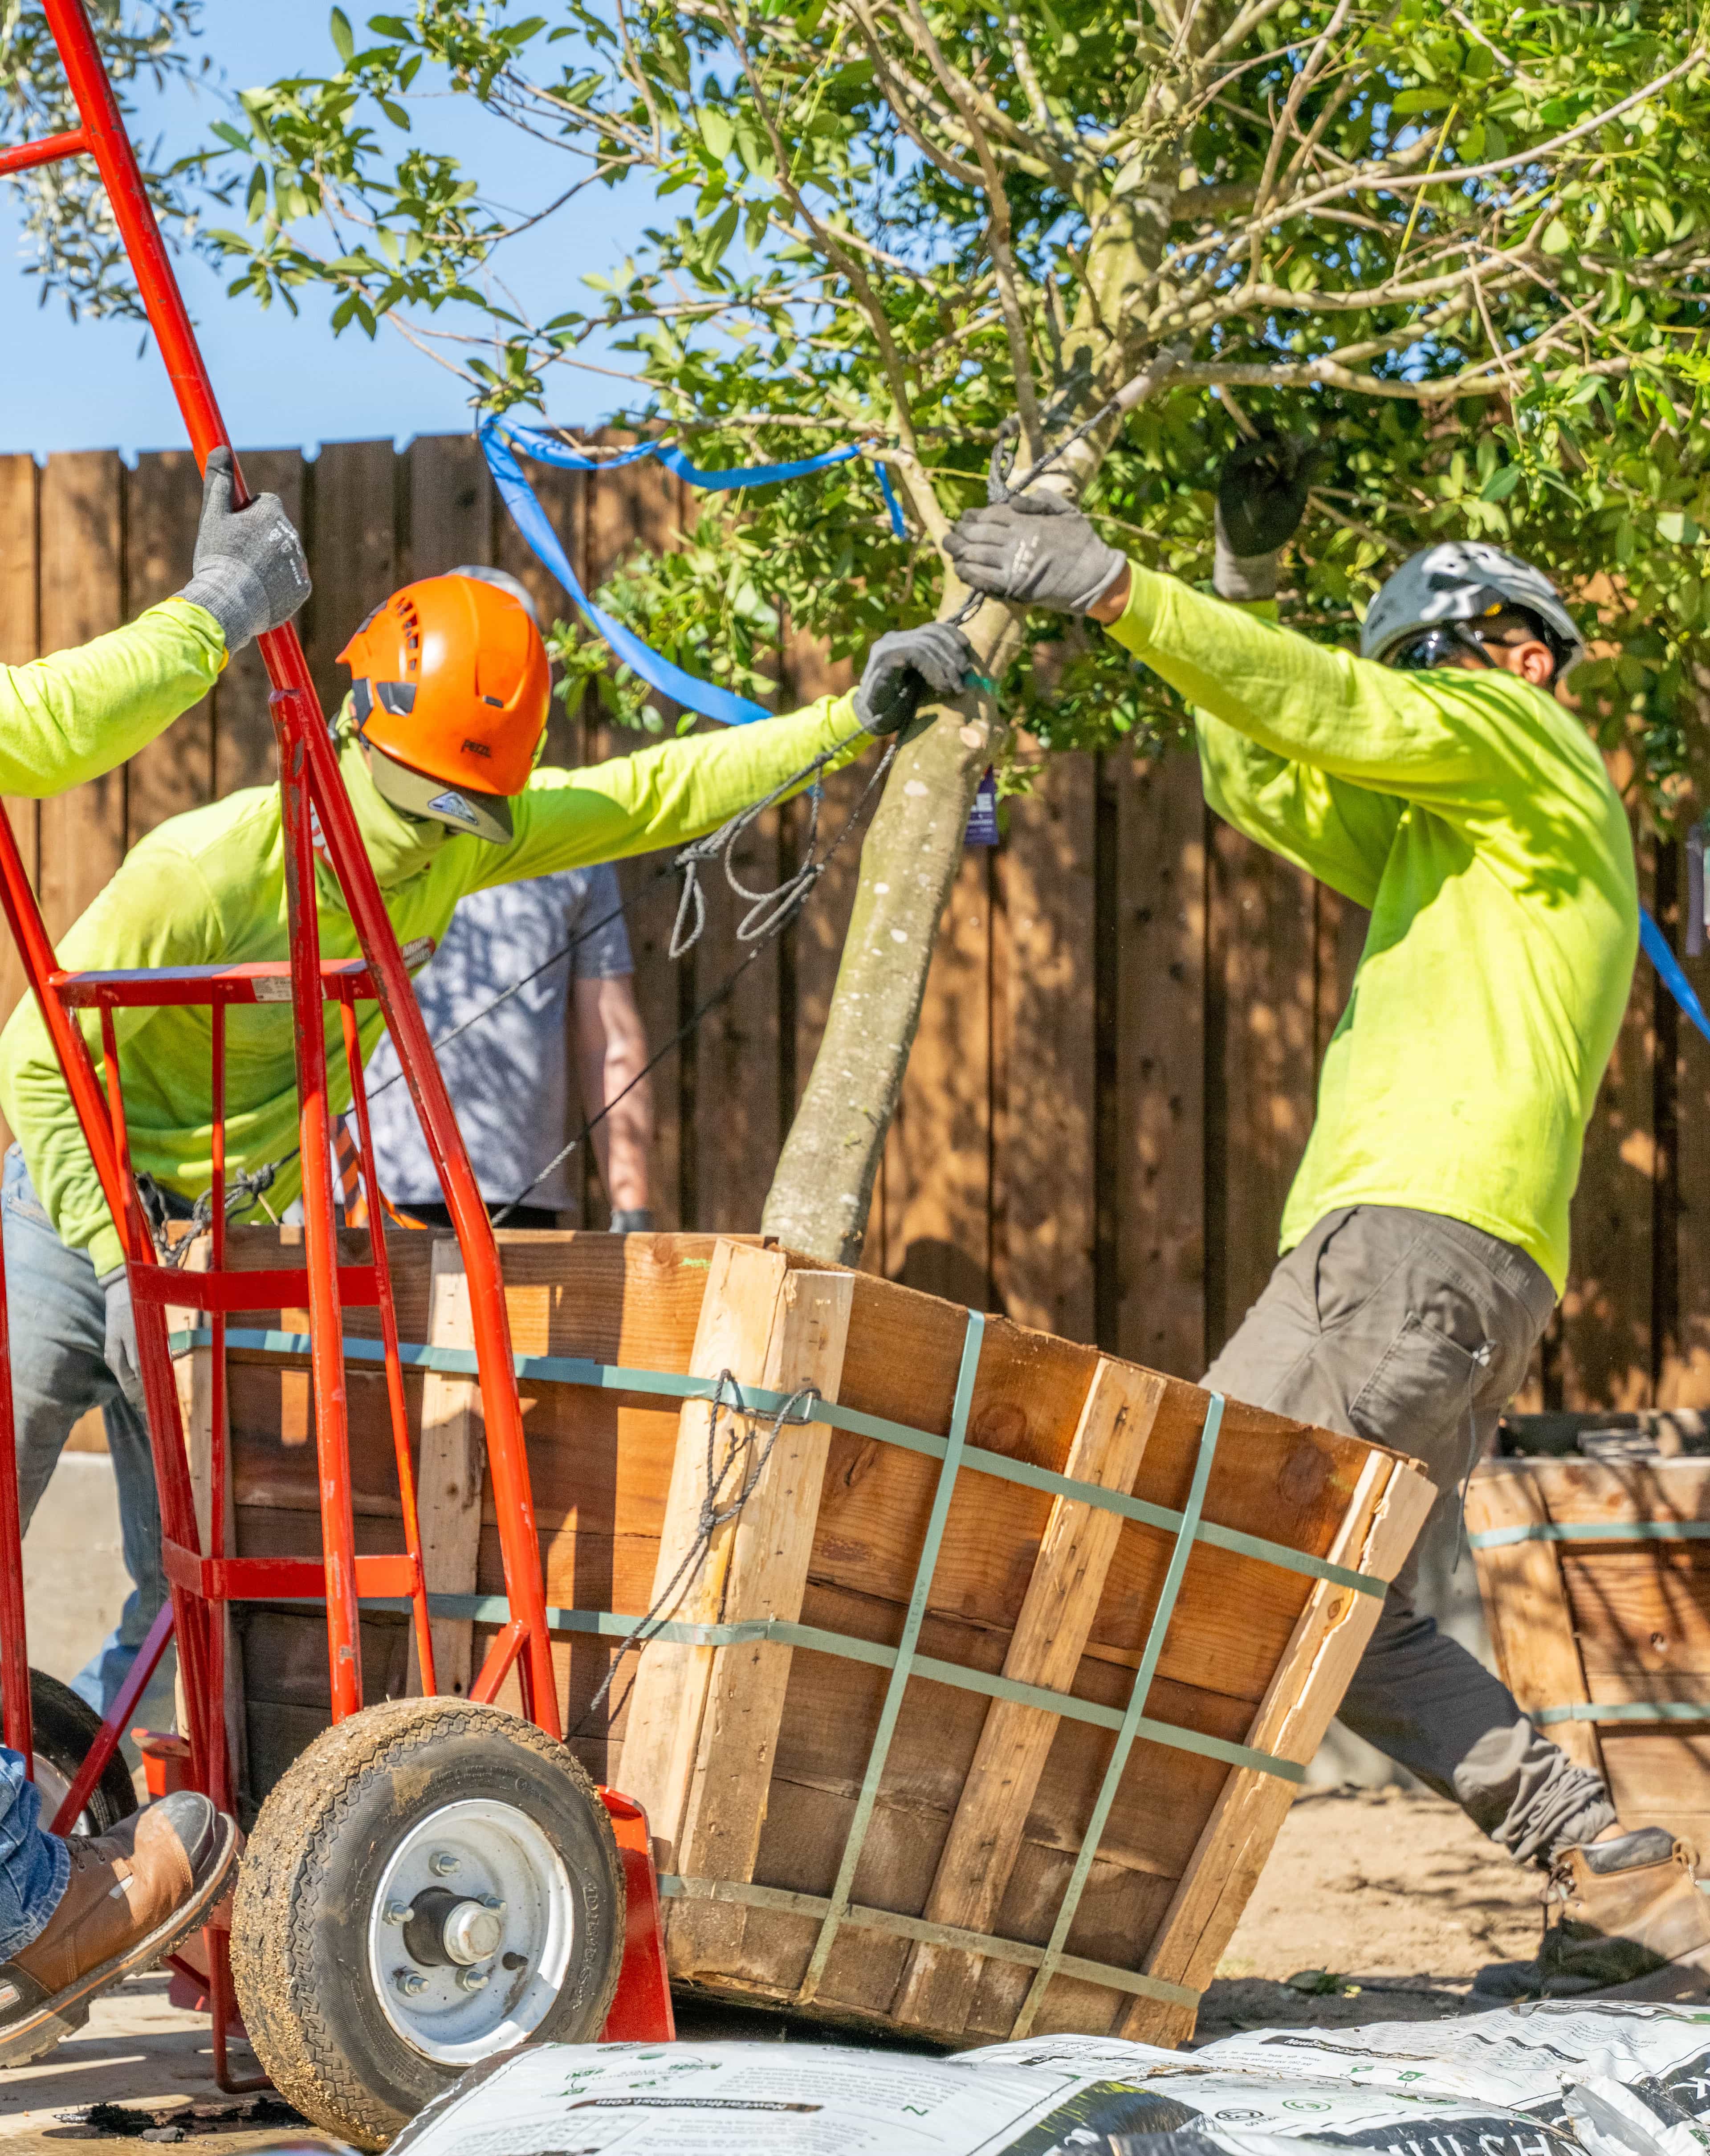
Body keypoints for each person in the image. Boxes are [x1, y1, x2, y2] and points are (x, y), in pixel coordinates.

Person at [0, 579, 969, 1907]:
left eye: (470, 812)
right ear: (349, 731)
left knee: (203, 1586)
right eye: (423, 807)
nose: (435, 840)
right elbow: (36, 1060)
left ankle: (122, 1846)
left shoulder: (463, 843)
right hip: (68, 1219)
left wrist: (844, 722)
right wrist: (117, 1244)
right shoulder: (206, 866)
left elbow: (648, 794)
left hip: (228, 1246)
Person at [945, 459, 1710, 1998]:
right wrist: (1238, 597)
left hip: (1412, 1234)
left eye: (1428, 667)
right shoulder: (1477, 840)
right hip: (1453, 1255)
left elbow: (1347, 716)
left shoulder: (1527, 738)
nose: (1409, 700)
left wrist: (1115, 590)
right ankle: (1613, 1872)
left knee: (1186, 1545)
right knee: (1314, 1597)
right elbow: (1274, 772)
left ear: (1519, 652)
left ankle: (1040, 1925)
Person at [0, 445, 307, 2059]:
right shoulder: (192, 872)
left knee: (161, 1567)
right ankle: (16, 1912)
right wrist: (209, 614)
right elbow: (30, 727)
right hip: (64, 1197)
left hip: (142, 1206)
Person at [362, 567, 655, 1231]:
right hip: (367, 1192)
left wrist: (633, 1205)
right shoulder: (369, 818)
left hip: (520, 1198)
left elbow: (608, 1036)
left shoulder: (569, 835)